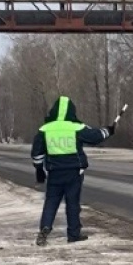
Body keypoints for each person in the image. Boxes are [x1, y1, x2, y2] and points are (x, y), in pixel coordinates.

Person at [31, 96, 115, 246]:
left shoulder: (45, 129)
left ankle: (45, 227)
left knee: (51, 202)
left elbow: (37, 153)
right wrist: (108, 131)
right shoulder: (76, 127)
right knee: (72, 203)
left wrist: (39, 169)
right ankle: (73, 234)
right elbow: (95, 136)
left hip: (54, 172)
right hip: (74, 172)